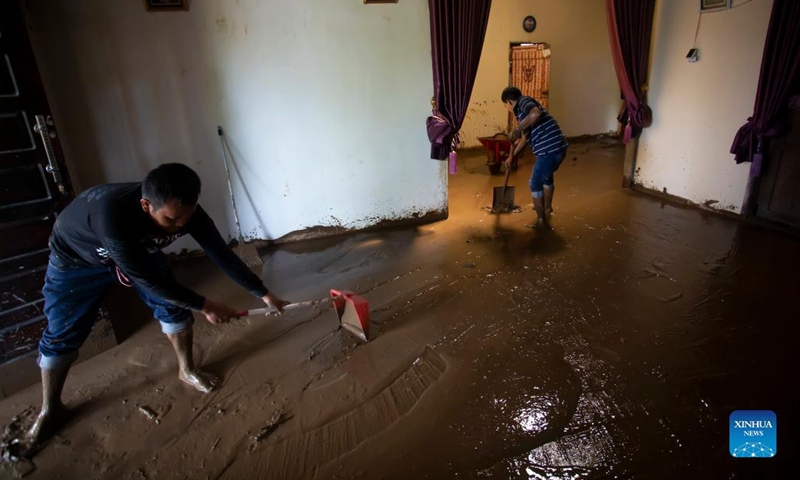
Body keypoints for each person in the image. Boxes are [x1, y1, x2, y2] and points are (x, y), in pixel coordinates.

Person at [25, 163, 288, 447]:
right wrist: (206, 305)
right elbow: (146, 279)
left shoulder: (188, 214)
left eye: (186, 217)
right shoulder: (110, 215)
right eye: (172, 220)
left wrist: (263, 293)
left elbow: (221, 254)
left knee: (173, 307)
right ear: (145, 205)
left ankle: (186, 369)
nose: (181, 225)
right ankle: (50, 409)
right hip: (77, 259)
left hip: (139, 250)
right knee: (63, 329)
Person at [501, 87, 569, 228]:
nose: (506, 108)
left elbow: (536, 113)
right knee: (547, 177)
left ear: (509, 101)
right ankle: (547, 208)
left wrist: (518, 129)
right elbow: (526, 137)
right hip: (558, 147)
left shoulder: (523, 102)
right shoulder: (521, 114)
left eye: (505, 105)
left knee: (535, 182)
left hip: (549, 149)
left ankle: (541, 221)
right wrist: (512, 156)